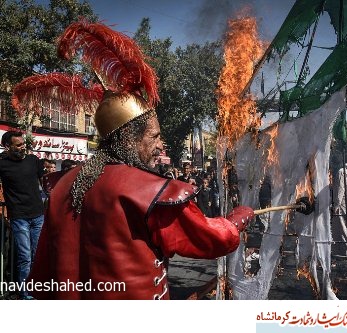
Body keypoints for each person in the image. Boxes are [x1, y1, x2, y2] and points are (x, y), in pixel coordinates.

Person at [26, 20, 254, 300]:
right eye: (155, 136)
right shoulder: (148, 190)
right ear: (129, 137)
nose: (160, 145)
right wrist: (237, 220)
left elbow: (41, 275)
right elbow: (211, 239)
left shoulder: (61, 185)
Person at [0, 131, 45, 299]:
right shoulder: (2, 164)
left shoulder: (33, 161)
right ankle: (25, 294)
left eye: (23, 143)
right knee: (24, 257)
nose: (23, 147)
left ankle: (36, 290)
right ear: (7, 147)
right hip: (19, 217)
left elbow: (46, 185)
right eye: (18, 145)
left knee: (36, 255)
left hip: (38, 215)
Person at [331, 167, 347, 256]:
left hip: (341, 205)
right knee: (342, 228)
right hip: (345, 203)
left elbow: (340, 190)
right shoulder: (345, 172)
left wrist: (336, 205)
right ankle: (341, 251)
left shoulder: (341, 172)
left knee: (342, 229)